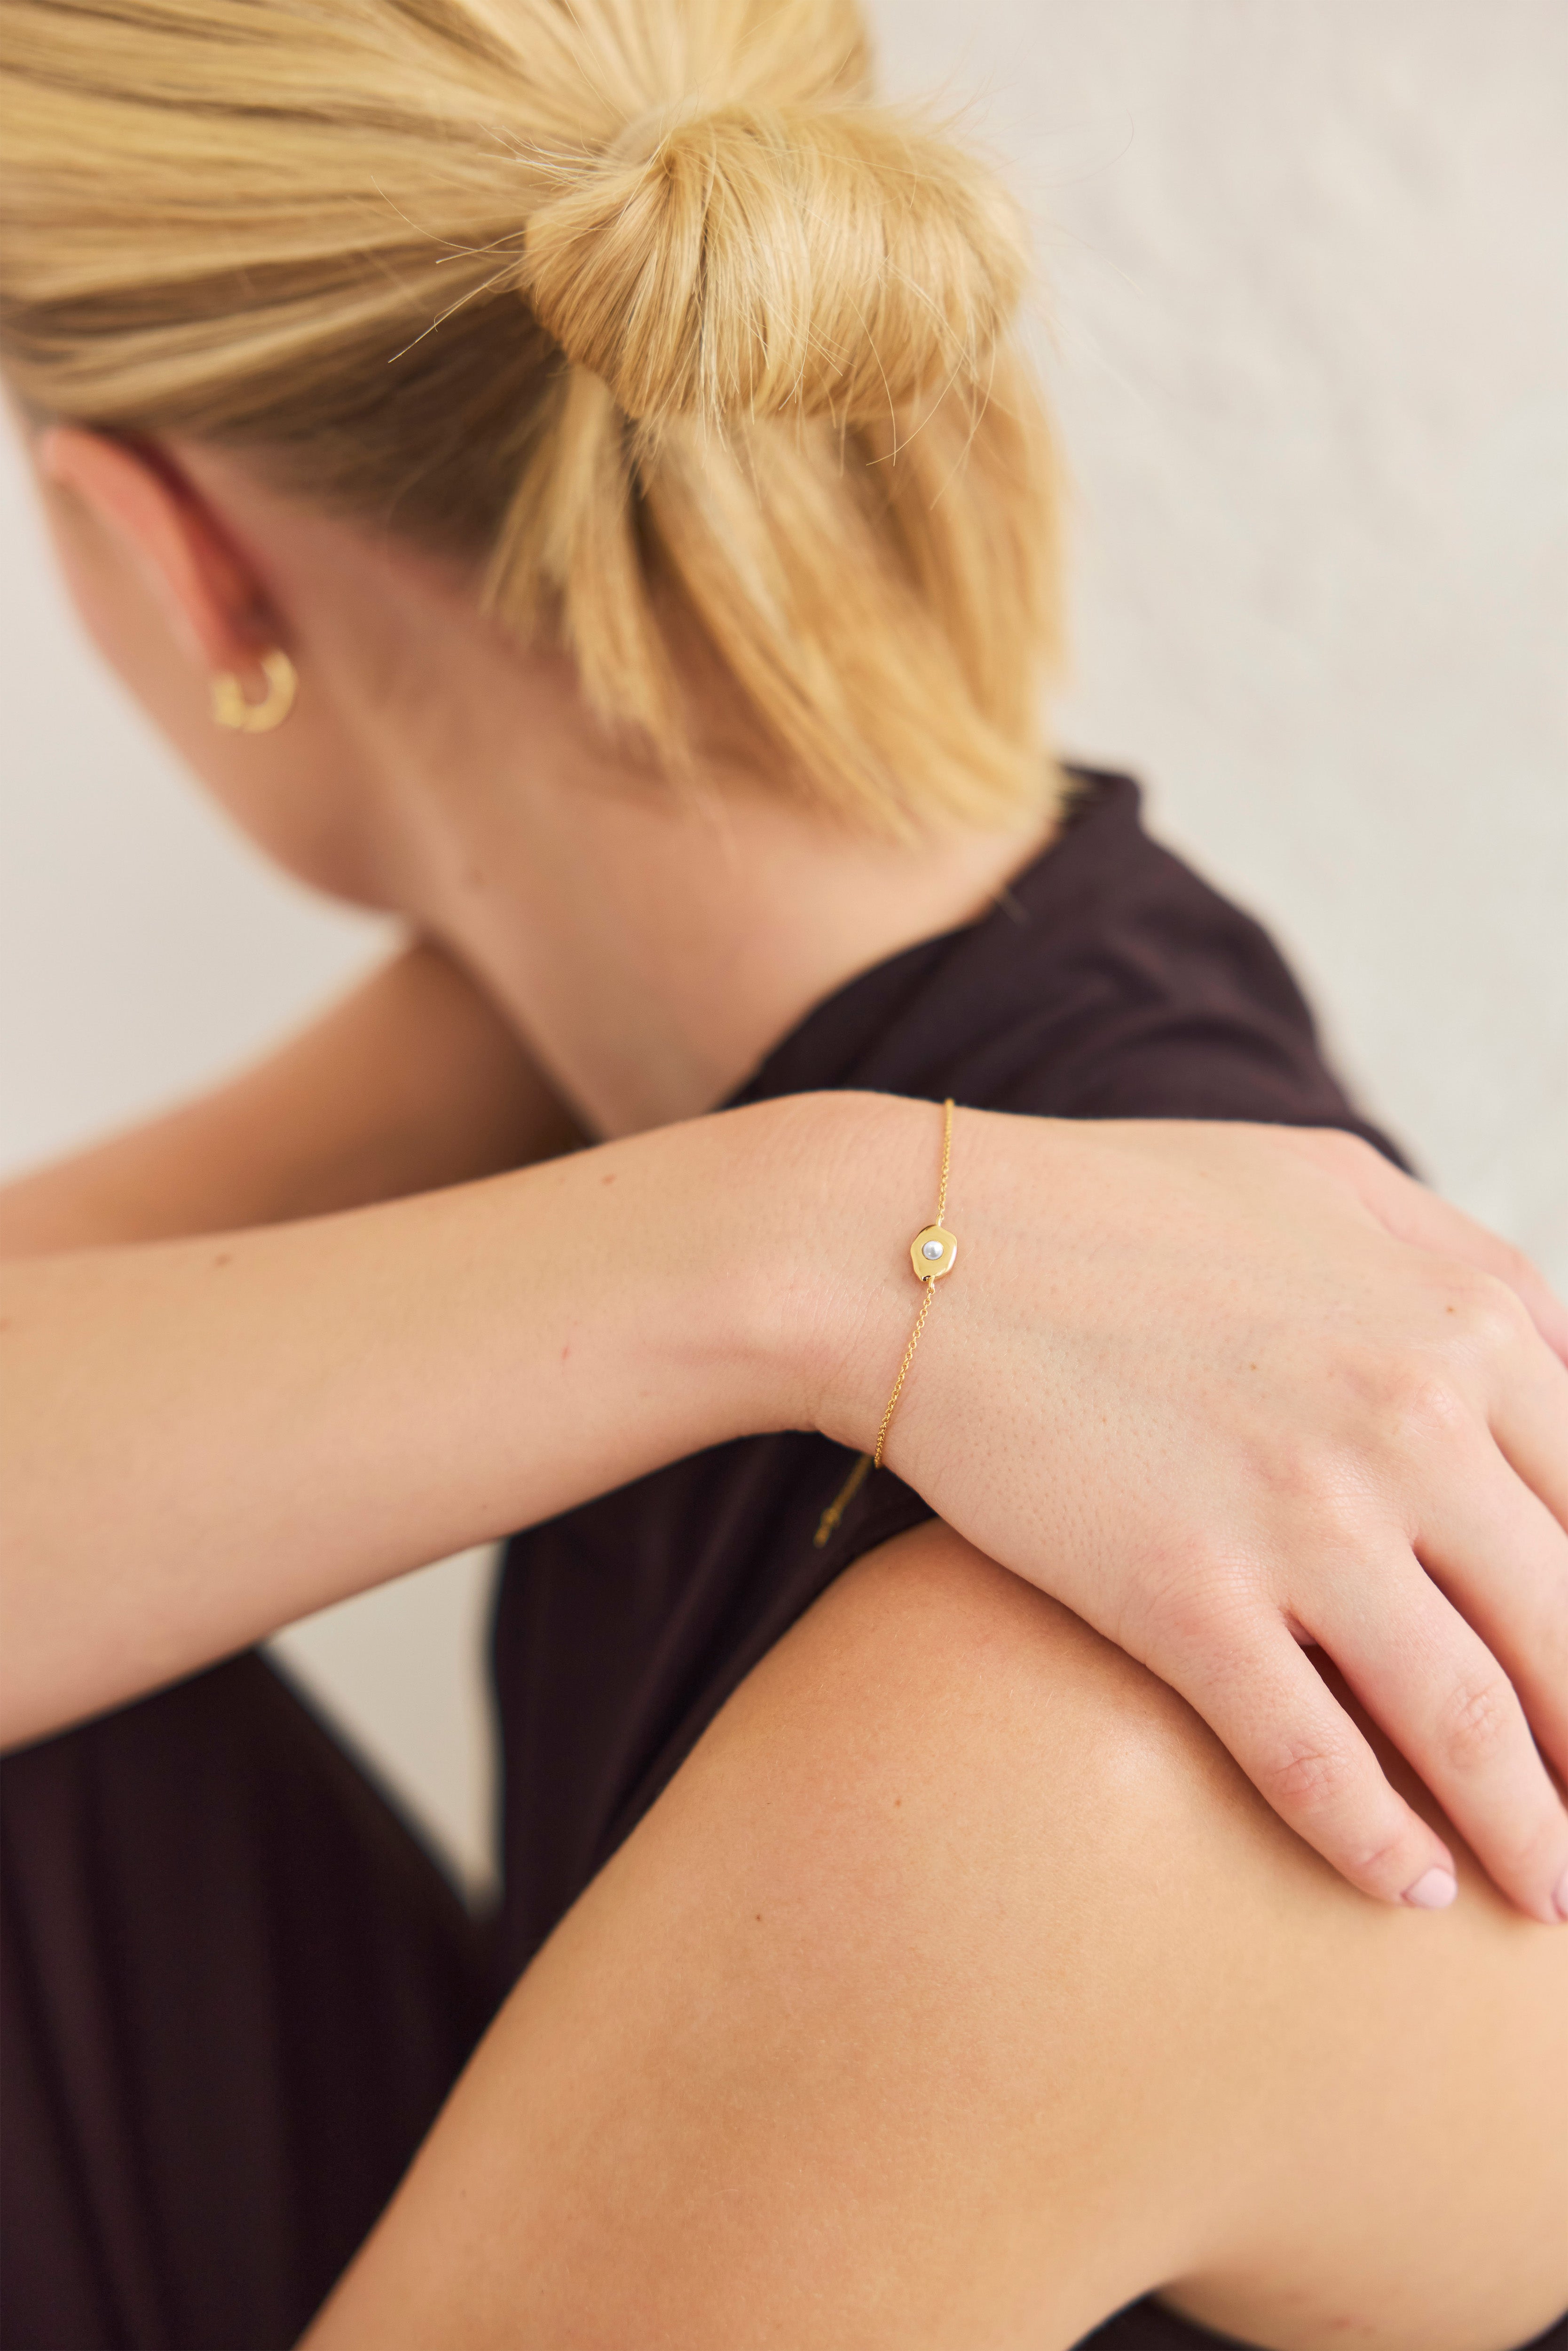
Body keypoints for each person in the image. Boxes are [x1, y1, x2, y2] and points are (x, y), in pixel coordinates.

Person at [0, 0, 1564, 2344]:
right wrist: (832, 1239)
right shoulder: (691, 1038)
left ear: (175, 553)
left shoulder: (1040, 1757)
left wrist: (844, 1238)